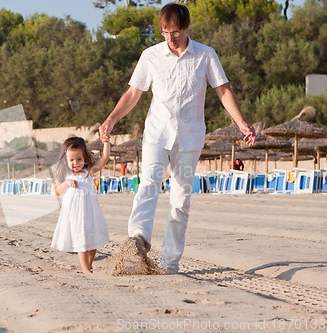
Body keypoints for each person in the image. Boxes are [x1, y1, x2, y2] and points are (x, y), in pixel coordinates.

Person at [99, 3, 256, 275]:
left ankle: (170, 262)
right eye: (165, 33)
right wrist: (112, 119)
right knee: (148, 183)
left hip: (189, 138)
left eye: (175, 32)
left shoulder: (205, 56)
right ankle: (137, 240)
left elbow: (223, 91)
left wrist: (241, 123)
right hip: (157, 134)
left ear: (186, 28)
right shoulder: (150, 56)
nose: (170, 38)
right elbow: (133, 94)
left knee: (181, 198)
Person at [51, 136, 111, 274]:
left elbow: (105, 158)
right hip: (74, 214)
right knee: (81, 239)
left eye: (79, 159)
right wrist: (67, 183)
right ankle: (85, 269)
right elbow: (57, 192)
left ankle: (89, 264)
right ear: (65, 160)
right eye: (71, 160)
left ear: (84, 157)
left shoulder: (88, 171)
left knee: (94, 239)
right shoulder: (65, 174)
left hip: (91, 211)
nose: (75, 163)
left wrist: (106, 142)